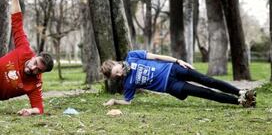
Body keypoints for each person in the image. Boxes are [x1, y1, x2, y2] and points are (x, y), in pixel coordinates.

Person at [101, 50, 256, 108]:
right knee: (204, 92)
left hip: (173, 69)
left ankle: (241, 92)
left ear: (116, 63)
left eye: (117, 70)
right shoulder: (128, 84)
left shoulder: (132, 55)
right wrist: (115, 101)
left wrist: (177, 61)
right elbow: (128, 101)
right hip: (171, 86)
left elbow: (156, 56)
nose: (120, 74)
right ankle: (240, 102)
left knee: (208, 81)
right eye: (117, 76)